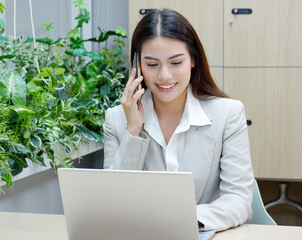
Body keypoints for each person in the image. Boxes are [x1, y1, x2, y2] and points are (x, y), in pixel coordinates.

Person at [103, 8, 254, 232]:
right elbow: (111, 202)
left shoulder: (228, 114)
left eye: (176, 63)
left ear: (193, 60)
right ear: (139, 65)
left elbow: (239, 200)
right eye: (152, 64)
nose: (165, 76)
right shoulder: (117, 119)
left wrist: (182, 220)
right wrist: (132, 131)